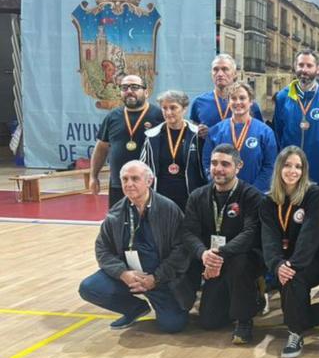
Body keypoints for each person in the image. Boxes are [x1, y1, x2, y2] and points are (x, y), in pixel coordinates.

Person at [78, 160, 192, 333]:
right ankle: (135, 308)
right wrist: (122, 273)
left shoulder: (169, 210)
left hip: (161, 279)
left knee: (173, 325)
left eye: (135, 178)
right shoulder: (115, 213)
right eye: (125, 179)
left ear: (149, 181)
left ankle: (167, 306)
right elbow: (102, 249)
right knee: (89, 288)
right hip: (129, 276)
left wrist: (155, 278)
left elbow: (182, 250)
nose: (129, 184)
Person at [182, 144, 264, 343]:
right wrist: (203, 254)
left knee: (240, 262)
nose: (218, 169)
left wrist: (219, 254)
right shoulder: (197, 196)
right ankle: (247, 300)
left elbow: (250, 233)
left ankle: (244, 320)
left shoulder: (251, 196)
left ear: (239, 166)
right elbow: (188, 232)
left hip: (242, 257)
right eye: (214, 163)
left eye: (225, 164)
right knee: (209, 322)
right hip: (212, 261)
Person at [260, 146, 319, 358]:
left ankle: (295, 334)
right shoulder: (268, 201)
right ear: (279, 168)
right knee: (289, 286)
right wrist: (277, 264)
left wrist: (291, 265)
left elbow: (310, 236)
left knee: (292, 280)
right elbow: (268, 238)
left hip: (313, 261)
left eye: (298, 167)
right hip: (284, 263)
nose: (293, 171)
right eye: (287, 165)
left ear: (304, 171)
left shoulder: (313, 194)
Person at [274, 49, 319, 211]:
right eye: (300, 65)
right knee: (290, 215)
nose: (304, 70)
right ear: (295, 66)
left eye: (309, 65)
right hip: (290, 171)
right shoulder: (283, 97)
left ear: (318, 69)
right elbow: (278, 132)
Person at [89, 75, 164, 207]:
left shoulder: (159, 116)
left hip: (150, 184)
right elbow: (101, 147)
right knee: (119, 219)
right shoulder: (112, 117)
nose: (129, 91)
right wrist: (93, 176)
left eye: (134, 87)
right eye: (124, 88)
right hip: (120, 184)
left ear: (146, 92)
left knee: (148, 219)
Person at [203, 82, 277, 193]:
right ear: (228, 102)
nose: (238, 102)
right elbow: (207, 162)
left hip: (255, 194)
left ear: (251, 102)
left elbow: (270, 165)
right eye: (233, 98)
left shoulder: (265, 132)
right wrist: (218, 185)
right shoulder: (215, 131)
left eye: (242, 98)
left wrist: (252, 192)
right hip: (223, 192)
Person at [141, 90, 205, 212]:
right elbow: (143, 168)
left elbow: (204, 168)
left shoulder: (196, 135)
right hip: (160, 199)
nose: (168, 112)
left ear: (184, 109)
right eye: (164, 108)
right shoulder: (152, 136)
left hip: (190, 199)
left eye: (173, 108)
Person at [189, 54, 263, 139]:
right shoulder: (199, 102)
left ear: (235, 74)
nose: (220, 74)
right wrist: (198, 131)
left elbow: (259, 133)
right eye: (215, 69)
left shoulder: (248, 104)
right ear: (211, 74)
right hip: (209, 147)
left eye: (225, 69)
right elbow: (192, 132)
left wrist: (212, 132)